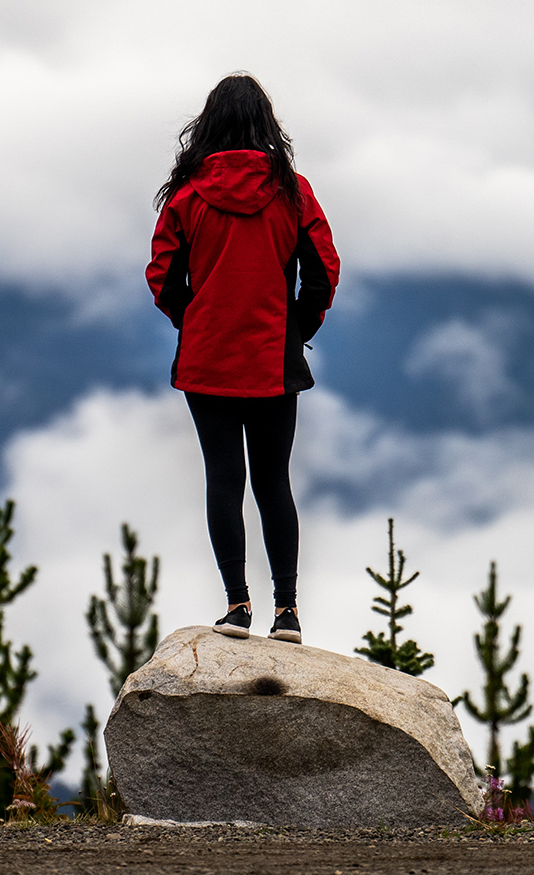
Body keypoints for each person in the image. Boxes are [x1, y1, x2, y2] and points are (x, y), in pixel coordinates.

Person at [146, 73, 339, 644]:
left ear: (208, 126)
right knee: (273, 481)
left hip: (208, 360)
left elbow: (162, 275)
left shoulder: (185, 195)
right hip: (273, 356)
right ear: (265, 124)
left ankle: (236, 606)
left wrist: (195, 319)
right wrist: (300, 323)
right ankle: (288, 613)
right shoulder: (293, 190)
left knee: (223, 481)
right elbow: (323, 268)